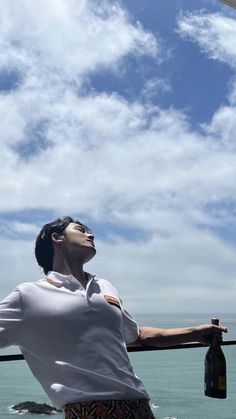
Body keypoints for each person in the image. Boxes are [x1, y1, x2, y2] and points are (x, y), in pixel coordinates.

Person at [0, 216, 227, 419]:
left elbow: (136, 335)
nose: (91, 234)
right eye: (81, 229)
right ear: (57, 238)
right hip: (86, 410)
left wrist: (197, 333)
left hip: (139, 405)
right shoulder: (27, 295)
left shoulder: (105, 287)